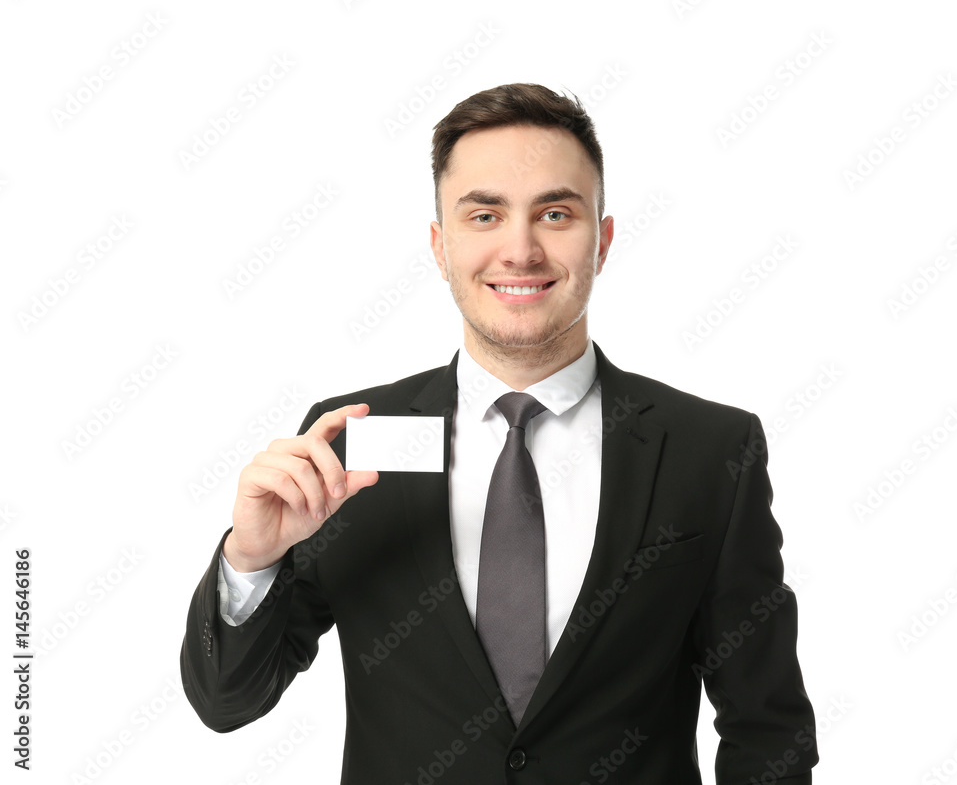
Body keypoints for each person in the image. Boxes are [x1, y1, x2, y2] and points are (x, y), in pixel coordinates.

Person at [180, 82, 818, 784]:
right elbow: (226, 702)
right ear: (440, 244)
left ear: (602, 240)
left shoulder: (708, 450)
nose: (520, 249)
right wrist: (252, 561)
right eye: (485, 215)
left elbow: (766, 727)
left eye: (554, 212)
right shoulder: (354, 439)